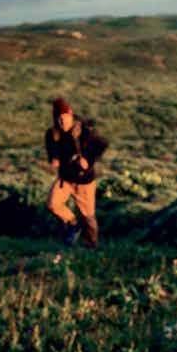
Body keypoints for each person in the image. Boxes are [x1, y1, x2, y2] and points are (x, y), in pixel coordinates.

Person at [45, 97, 108, 248]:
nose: (62, 122)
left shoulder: (84, 131)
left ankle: (92, 247)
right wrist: (54, 159)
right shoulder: (53, 133)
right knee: (53, 204)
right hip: (65, 179)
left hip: (84, 181)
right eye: (58, 119)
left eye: (64, 118)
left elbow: (102, 144)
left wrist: (88, 160)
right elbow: (52, 150)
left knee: (88, 217)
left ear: (70, 115)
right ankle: (72, 224)